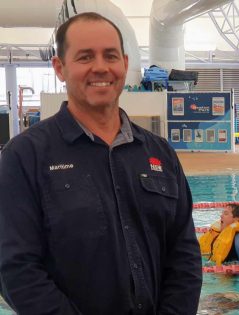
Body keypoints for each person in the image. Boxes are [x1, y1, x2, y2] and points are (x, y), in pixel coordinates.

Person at [0, 13, 202, 314]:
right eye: (84, 57)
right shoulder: (25, 155)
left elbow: (184, 254)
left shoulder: (159, 153)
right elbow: (15, 267)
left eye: (110, 56)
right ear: (60, 68)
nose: (100, 67)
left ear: (123, 63)